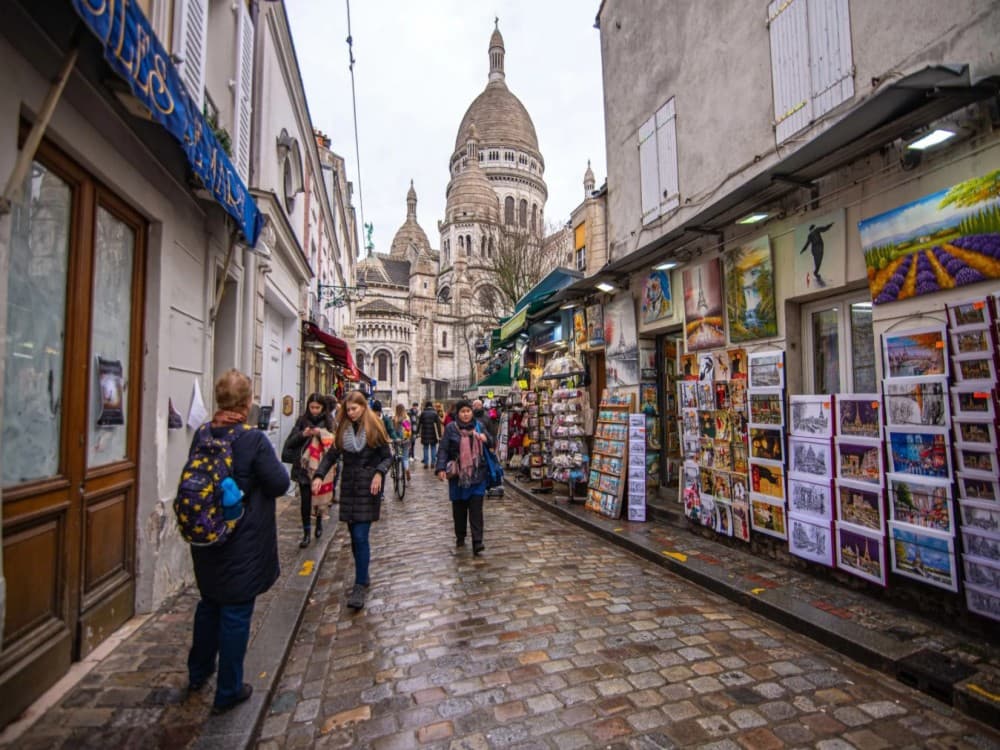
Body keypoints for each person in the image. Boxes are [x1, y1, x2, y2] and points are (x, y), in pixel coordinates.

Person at [187, 369, 289, 713]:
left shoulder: (203, 432)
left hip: (206, 533)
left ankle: (198, 672)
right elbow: (279, 483)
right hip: (242, 537)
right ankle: (228, 689)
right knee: (235, 612)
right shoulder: (252, 439)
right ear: (246, 403)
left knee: (209, 603)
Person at [312, 390, 391, 610]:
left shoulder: (374, 428)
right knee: (354, 537)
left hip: (368, 489)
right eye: (348, 409)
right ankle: (363, 574)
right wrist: (319, 475)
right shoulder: (343, 430)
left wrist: (378, 473)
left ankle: (359, 585)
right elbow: (331, 456)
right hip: (349, 488)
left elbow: (387, 456)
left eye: (354, 409)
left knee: (360, 535)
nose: (351, 413)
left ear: (363, 408)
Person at [436, 399, 496, 556]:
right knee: (459, 509)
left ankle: (478, 542)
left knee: (476, 509)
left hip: (477, 474)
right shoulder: (451, 428)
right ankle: (460, 536)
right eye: (463, 411)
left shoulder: (479, 425)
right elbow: (443, 449)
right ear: (458, 413)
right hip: (458, 476)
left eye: (468, 411)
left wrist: (485, 438)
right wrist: (440, 468)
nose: (466, 414)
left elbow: (491, 440)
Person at [282, 394, 335, 548]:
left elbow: (334, 444)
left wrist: (322, 434)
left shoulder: (328, 422)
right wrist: (303, 435)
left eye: (317, 408)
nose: (314, 411)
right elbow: (290, 442)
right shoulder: (301, 421)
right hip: (304, 467)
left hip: (321, 467)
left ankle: (318, 523)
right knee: (305, 501)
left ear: (323, 408)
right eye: (312, 407)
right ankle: (306, 533)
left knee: (318, 499)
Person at [418, 400, 442, 468]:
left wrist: (417, 432)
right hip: (433, 434)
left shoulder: (423, 413)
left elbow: (419, 424)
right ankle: (433, 463)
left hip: (425, 433)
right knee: (433, 447)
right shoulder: (435, 413)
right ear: (431, 406)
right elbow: (438, 425)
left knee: (425, 448)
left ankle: (426, 463)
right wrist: (439, 435)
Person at [393, 403, 413, 481]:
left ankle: (398, 474)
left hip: (398, 442)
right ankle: (407, 469)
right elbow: (409, 429)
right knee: (405, 457)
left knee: (399, 456)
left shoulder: (395, 418)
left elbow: (393, 431)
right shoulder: (406, 418)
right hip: (406, 441)